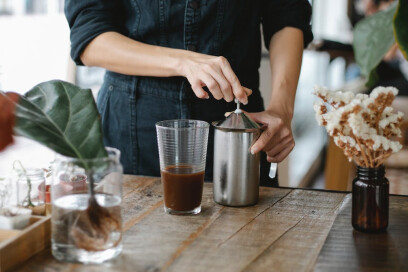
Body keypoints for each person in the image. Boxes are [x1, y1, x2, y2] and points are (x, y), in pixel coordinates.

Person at [64, 0, 313, 186]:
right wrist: (184, 62)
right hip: (133, 131)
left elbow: (287, 15)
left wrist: (282, 109)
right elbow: (89, 38)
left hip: (240, 134)